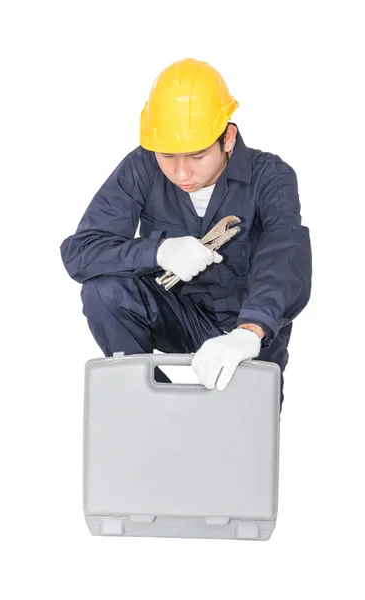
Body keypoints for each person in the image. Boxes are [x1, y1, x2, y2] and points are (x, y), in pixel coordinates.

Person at [60, 58, 312, 411]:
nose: (180, 172)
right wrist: (157, 251)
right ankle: (154, 409)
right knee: (104, 291)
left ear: (228, 138)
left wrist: (250, 332)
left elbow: (285, 253)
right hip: (177, 315)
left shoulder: (270, 175)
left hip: (249, 329)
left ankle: (223, 410)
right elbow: (81, 252)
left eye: (196, 156)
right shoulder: (142, 166)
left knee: (242, 439)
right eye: (167, 156)